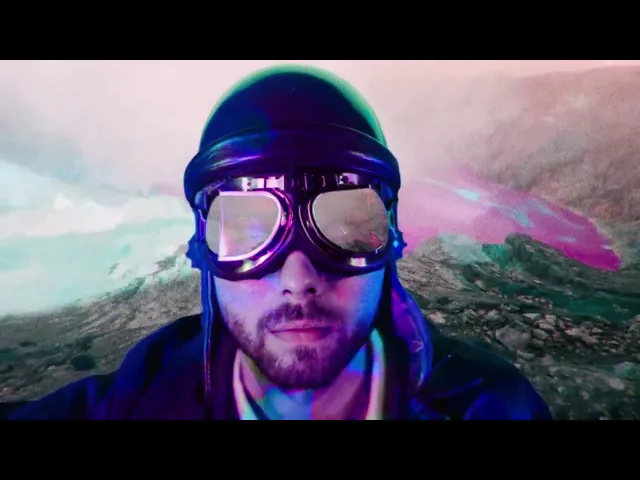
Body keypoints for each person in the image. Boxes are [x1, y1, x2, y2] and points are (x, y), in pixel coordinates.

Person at [7, 65, 552, 420]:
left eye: (346, 227)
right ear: (203, 249)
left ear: (390, 238)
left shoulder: (491, 408)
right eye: (248, 230)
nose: (297, 278)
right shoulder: (137, 398)